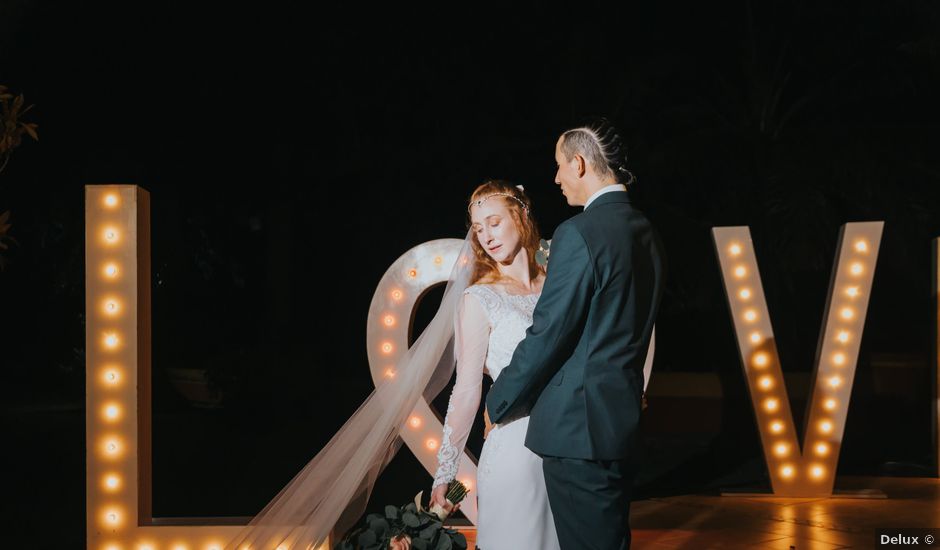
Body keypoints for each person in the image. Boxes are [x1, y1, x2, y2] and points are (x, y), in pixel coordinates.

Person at [484, 118, 666, 550]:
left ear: (580, 164)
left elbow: (548, 332)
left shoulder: (579, 233)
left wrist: (499, 401)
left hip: (576, 431)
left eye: (559, 166)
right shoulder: (647, 233)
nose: (556, 178)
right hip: (620, 422)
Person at [429, 180, 561, 550]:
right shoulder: (479, 298)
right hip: (514, 451)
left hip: (568, 447)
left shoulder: (558, 287)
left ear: (521, 216)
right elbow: (468, 389)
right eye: (478, 228)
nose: (486, 235)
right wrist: (446, 472)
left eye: (494, 222)